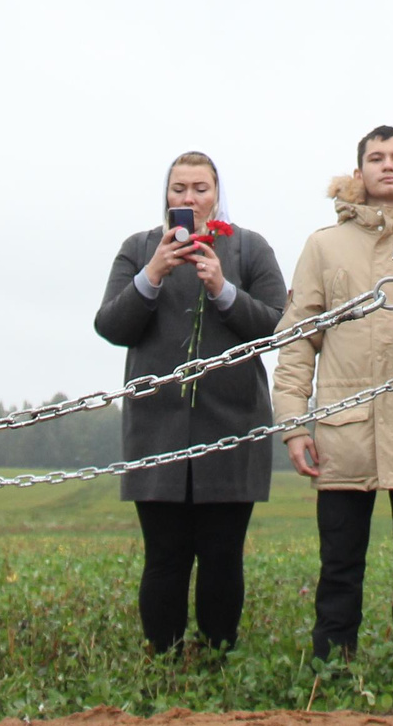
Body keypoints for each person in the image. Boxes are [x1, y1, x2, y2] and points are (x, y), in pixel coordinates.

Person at [93, 151, 289, 654]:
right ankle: (163, 658)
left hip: (233, 427)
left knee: (223, 555)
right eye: (179, 189)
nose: (189, 198)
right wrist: (152, 276)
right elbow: (111, 326)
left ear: (217, 194)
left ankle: (218, 658)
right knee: (165, 555)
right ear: (166, 196)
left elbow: (276, 326)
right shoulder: (139, 249)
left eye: (200, 188)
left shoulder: (248, 248)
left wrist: (223, 289)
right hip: (156, 429)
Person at [271, 126, 393, 660]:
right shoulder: (324, 245)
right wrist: (294, 425)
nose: (388, 166)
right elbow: (297, 341)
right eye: (377, 158)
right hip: (344, 430)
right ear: (358, 173)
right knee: (339, 563)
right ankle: (332, 667)